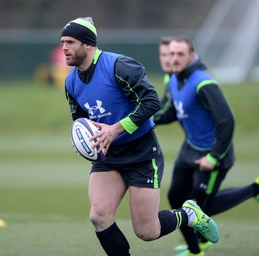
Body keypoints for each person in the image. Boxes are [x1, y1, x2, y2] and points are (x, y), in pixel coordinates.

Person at [61, 17, 220, 256]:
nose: (64, 47)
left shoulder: (119, 66)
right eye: (62, 41)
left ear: (88, 44)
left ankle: (189, 214)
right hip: (108, 156)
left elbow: (151, 102)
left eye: (70, 41)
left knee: (147, 231)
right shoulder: (71, 82)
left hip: (141, 154)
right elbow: (81, 119)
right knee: (99, 216)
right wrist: (80, 138)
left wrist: (115, 129)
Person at [153, 35, 259, 256]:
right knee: (176, 197)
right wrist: (144, 119)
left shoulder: (203, 83)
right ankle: (195, 247)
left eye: (179, 54)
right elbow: (174, 112)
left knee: (197, 208)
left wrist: (213, 157)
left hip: (213, 155)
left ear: (192, 55)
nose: (173, 59)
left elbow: (227, 121)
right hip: (190, 150)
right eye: (169, 54)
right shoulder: (175, 79)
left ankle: (258, 188)